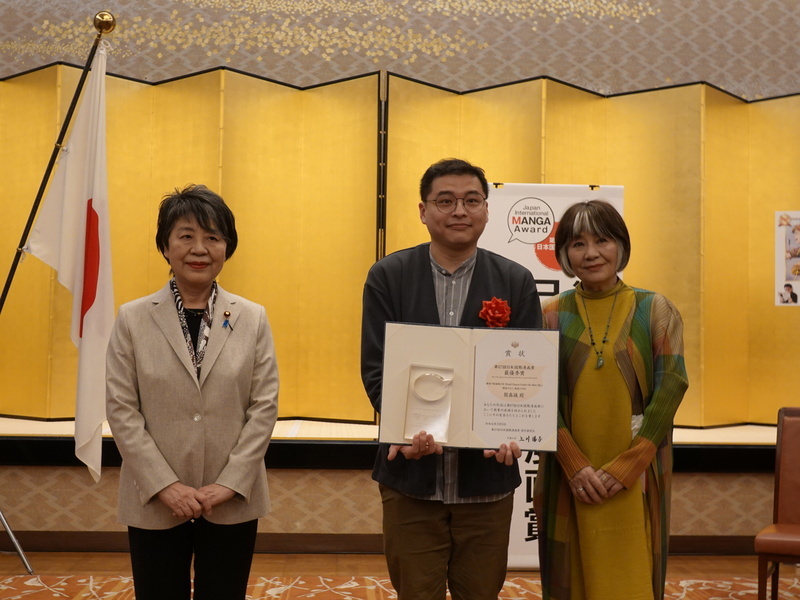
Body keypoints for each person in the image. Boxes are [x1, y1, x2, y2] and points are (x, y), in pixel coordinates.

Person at [361, 158, 542, 599]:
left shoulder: (515, 280)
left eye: (471, 200)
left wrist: (514, 430)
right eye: (446, 201)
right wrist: (405, 428)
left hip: (486, 482)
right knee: (416, 592)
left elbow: (528, 376)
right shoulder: (389, 276)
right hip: (410, 477)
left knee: (480, 592)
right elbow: (376, 366)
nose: (460, 210)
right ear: (423, 211)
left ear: (486, 210)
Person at [106, 184, 279, 600]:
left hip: (231, 498)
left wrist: (229, 483)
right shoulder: (132, 318)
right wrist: (165, 485)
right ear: (166, 246)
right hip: (155, 498)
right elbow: (122, 409)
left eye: (212, 237)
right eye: (186, 236)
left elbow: (264, 406)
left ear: (227, 247)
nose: (199, 249)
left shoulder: (252, 318)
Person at [534, 200, 688, 600]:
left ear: (620, 245)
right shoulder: (550, 315)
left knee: (631, 574)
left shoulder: (654, 309)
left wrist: (628, 466)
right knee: (571, 578)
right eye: (577, 243)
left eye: (602, 240)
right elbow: (536, 395)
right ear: (564, 254)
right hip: (570, 475)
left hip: (638, 472)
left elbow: (671, 385)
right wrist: (574, 465)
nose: (591, 253)